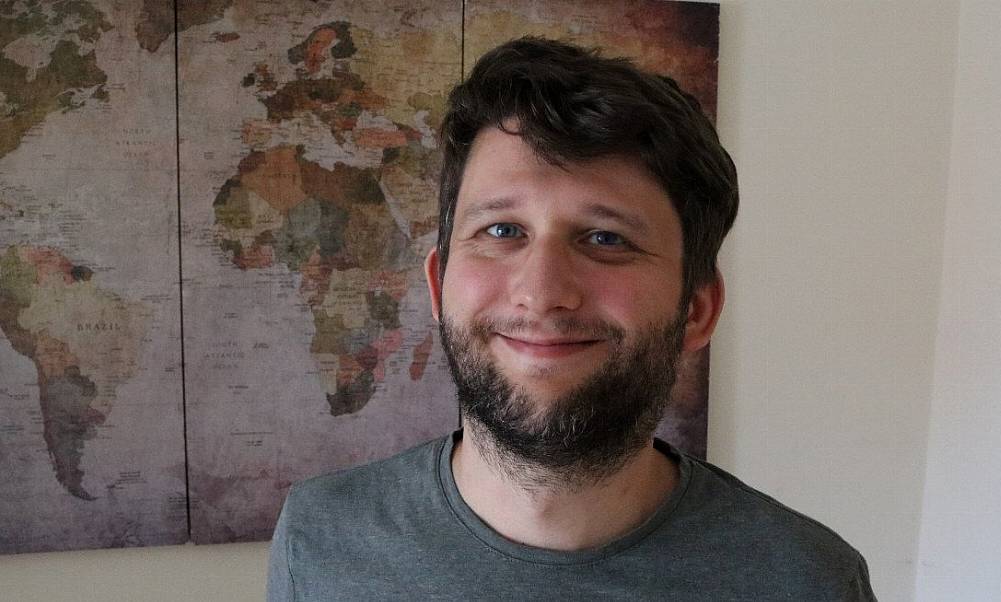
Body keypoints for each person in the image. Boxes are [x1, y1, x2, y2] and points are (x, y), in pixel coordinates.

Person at [267, 37, 876, 601]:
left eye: (607, 238)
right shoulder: (319, 539)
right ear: (438, 283)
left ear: (697, 310)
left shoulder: (807, 580)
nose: (542, 292)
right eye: (501, 230)